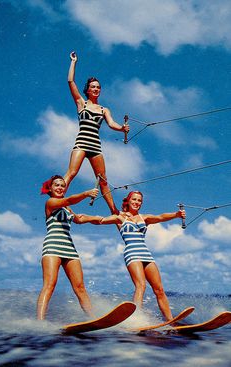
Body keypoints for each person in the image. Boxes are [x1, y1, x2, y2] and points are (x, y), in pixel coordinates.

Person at [93, 191, 186, 321]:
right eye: (134, 199)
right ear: (128, 201)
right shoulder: (120, 217)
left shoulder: (144, 218)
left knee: (159, 289)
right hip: (132, 252)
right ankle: (136, 319)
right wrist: (80, 218)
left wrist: (176, 215)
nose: (137, 202)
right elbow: (100, 220)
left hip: (145, 253)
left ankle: (170, 321)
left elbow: (160, 217)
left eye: (139, 201)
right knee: (141, 285)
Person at [64, 51, 129, 214]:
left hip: (96, 146)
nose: (96, 89)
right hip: (81, 143)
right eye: (93, 87)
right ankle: (60, 199)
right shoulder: (81, 103)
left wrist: (122, 128)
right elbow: (70, 81)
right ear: (87, 89)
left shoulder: (103, 109)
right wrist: (73, 62)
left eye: (98, 87)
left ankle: (114, 212)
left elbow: (112, 123)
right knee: (72, 172)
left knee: (103, 181)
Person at [37, 175, 102, 320]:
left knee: (80, 287)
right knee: (49, 285)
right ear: (51, 188)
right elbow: (69, 199)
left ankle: (93, 319)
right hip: (53, 246)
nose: (60, 187)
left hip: (69, 248)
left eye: (62, 185)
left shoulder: (66, 208)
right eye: (57, 185)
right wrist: (86, 194)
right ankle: (40, 323)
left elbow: (79, 219)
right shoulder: (51, 202)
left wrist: (98, 218)